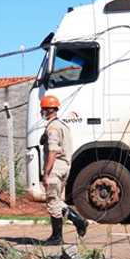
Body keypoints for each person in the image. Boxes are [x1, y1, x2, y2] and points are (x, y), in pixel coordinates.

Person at [39, 95, 89, 245]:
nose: (42, 112)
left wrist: (46, 173)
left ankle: (59, 235)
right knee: (57, 200)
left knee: (52, 202)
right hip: (65, 167)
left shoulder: (53, 127)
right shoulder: (63, 126)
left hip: (55, 167)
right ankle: (76, 223)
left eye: (43, 109)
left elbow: (53, 151)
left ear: (49, 110)